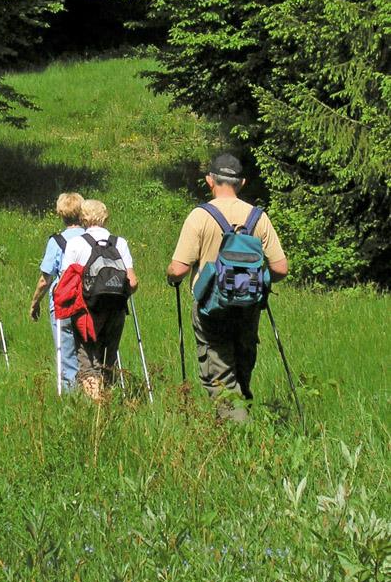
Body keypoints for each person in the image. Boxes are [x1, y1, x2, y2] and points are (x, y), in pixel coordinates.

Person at [166, 153, 288, 421]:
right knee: (242, 369)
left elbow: (178, 269)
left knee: (220, 377)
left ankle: (239, 438)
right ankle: (247, 425)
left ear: (210, 180)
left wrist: (171, 277)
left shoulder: (199, 216)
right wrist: (260, 284)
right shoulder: (258, 217)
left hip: (211, 308)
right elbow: (280, 269)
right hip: (249, 307)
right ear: (241, 183)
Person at [60, 199, 138, 400]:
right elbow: (133, 282)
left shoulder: (76, 243)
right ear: (105, 217)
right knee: (107, 360)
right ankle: (109, 401)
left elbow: (65, 281)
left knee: (87, 360)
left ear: (82, 217)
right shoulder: (119, 242)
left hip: (87, 311)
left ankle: (97, 410)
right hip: (116, 309)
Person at [29, 192, 85, 390]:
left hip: (63, 304)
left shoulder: (57, 241)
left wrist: (35, 303)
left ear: (61, 213)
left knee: (67, 357)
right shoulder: (90, 238)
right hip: (89, 303)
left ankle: (71, 399)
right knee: (89, 356)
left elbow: (45, 280)